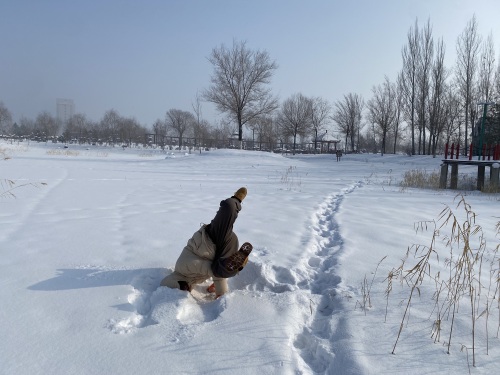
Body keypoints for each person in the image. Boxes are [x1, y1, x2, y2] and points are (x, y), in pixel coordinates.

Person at [160, 187, 251, 298]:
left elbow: (213, 271)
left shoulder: (183, 266)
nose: (185, 288)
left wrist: (221, 294)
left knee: (228, 208)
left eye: (181, 286)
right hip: (221, 246)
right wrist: (214, 286)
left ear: (175, 279)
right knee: (224, 266)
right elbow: (216, 271)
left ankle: (235, 200)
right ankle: (237, 263)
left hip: (210, 238)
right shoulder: (193, 277)